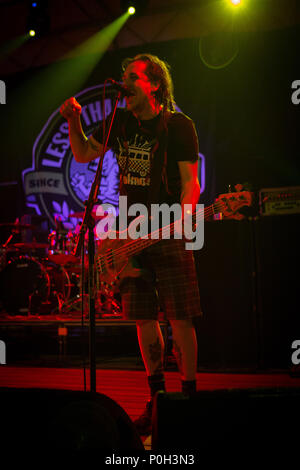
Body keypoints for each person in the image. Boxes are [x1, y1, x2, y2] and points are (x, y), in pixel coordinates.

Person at [60, 53, 202, 436]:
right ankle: (156, 402)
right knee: (143, 318)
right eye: (123, 77)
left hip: (167, 230)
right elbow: (83, 152)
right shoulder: (120, 121)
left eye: (132, 78)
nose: (124, 84)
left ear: (153, 85)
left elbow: (192, 185)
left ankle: (188, 401)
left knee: (180, 317)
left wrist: (181, 219)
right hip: (127, 234)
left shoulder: (177, 125)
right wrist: (74, 121)